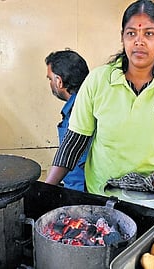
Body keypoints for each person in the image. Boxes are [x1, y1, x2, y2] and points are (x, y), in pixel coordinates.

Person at [45, 0, 154, 195]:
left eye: (149, 33)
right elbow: (73, 142)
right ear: (122, 37)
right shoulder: (97, 80)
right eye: (131, 33)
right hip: (102, 197)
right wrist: (44, 191)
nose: (139, 41)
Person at [45, 49, 90, 191]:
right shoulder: (88, 103)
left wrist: (45, 190)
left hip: (82, 191)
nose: (50, 83)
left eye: (50, 79)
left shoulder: (77, 112)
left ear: (59, 81)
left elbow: (70, 154)